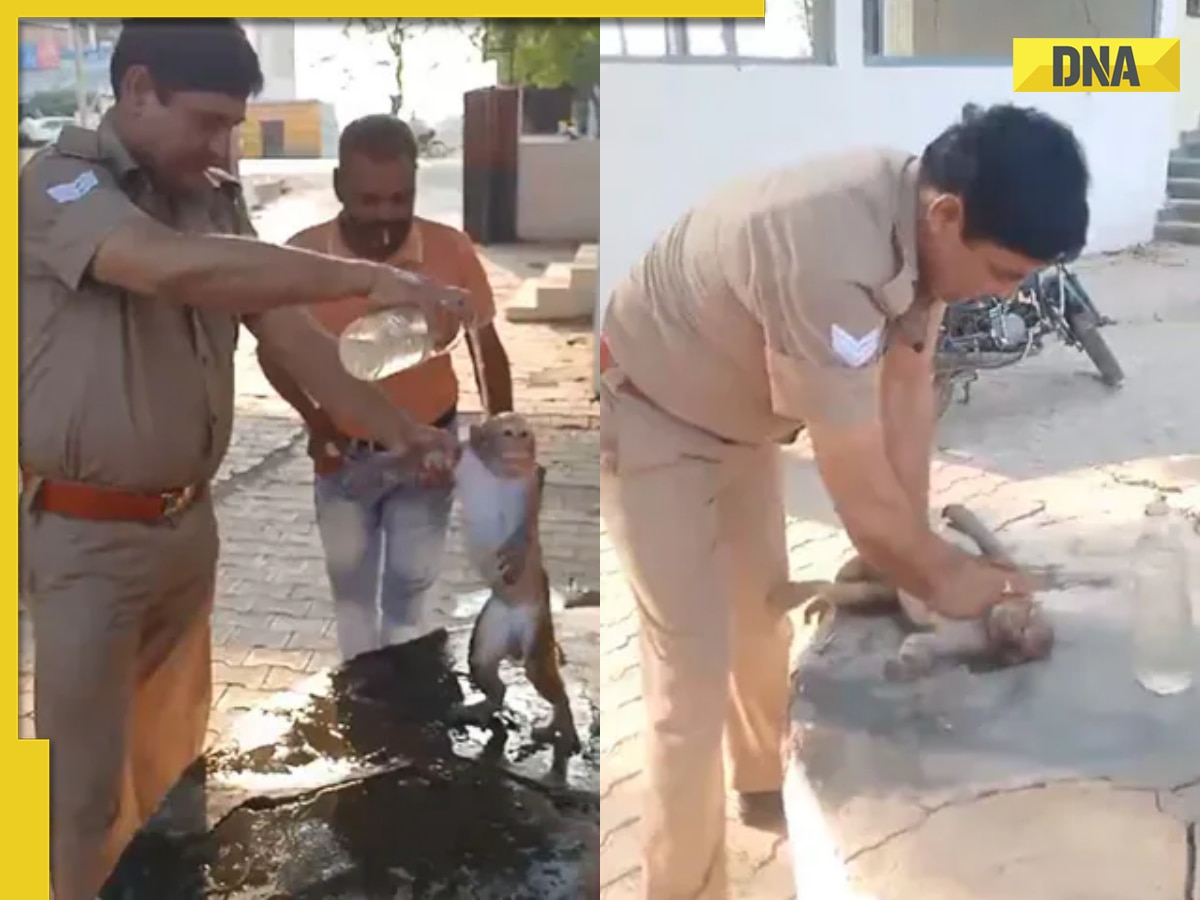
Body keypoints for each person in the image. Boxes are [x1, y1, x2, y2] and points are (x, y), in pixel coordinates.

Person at [18, 21, 471, 900]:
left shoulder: (211, 197)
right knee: (80, 796)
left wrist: (404, 431)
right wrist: (368, 280)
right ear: (138, 88)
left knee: (174, 774)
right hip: (84, 538)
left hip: (190, 528)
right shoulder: (60, 185)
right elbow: (168, 268)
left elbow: (290, 338)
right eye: (210, 121)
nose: (224, 144)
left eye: (236, 125)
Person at [598, 103, 1089, 899]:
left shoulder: (923, 229)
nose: (1004, 294)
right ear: (947, 215)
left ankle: (762, 786)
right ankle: (682, 886)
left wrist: (915, 553)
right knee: (686, 680)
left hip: (742, 420)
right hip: (655, 411)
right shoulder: (827, 251)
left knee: (758, 614)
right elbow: (854, 479)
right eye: (1003, 273)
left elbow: (906, 388)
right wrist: (947, 579)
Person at [257, 114, 513, 660]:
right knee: (352, 605)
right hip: (343, 459)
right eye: (369, 200)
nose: (386, 216)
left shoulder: (450, 251)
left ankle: (403, 711)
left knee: (409, 601)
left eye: (400, 198)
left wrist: (501, 430)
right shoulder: (300, 258)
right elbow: (271, 350)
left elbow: (484, 342)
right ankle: (363, 704)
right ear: (338, 189)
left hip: (427, 457)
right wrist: (316, 423)